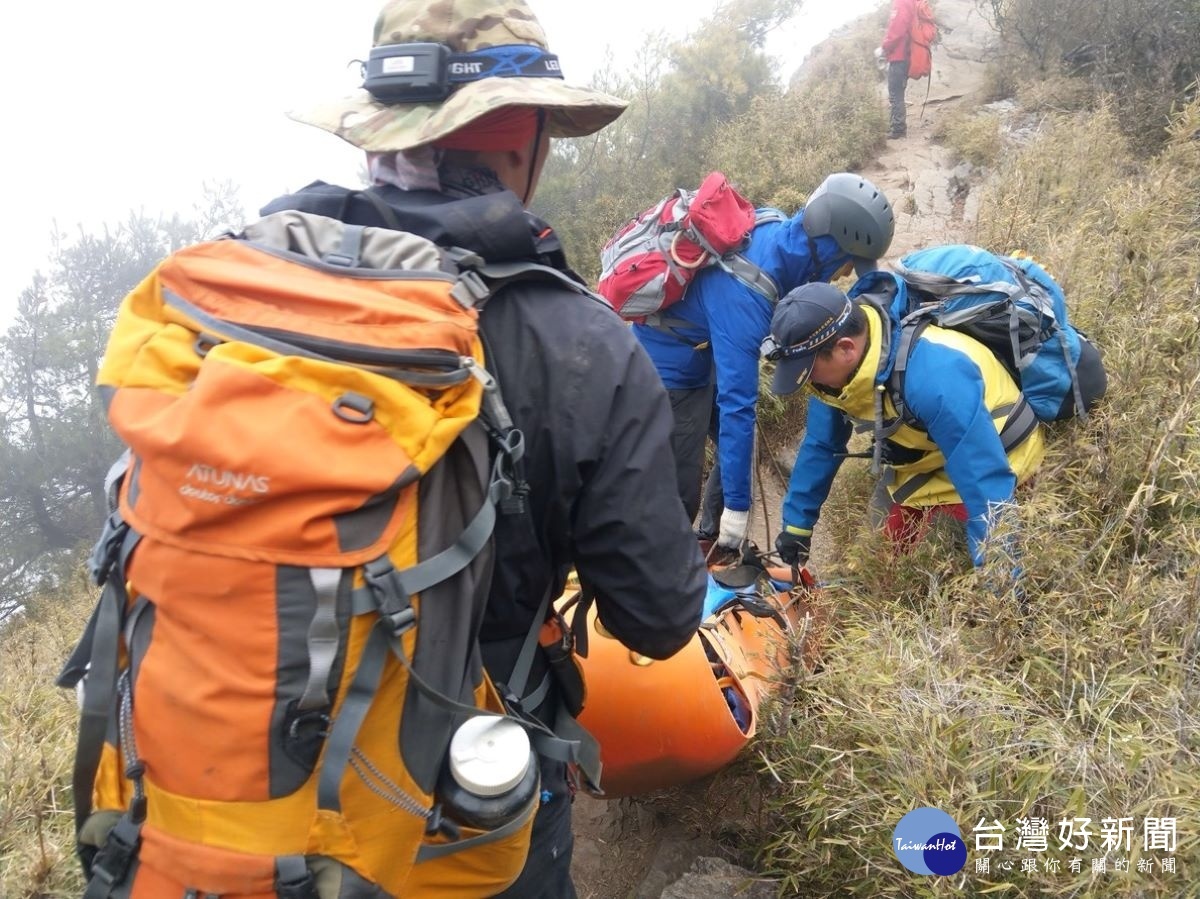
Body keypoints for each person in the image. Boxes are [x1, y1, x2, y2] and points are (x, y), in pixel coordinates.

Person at [278, 0, 708, 894]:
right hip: (457, 803)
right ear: (522, 140)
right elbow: (660, 615)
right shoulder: (579, 343)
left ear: (378, 135)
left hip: (236, 779)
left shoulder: (244, 288)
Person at [632, 173, 895, 553]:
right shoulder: (746, 294)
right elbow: (738, 406)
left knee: (736, 443)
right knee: (682, 484)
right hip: (669, 368)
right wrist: (740, 511)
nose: (846, 274)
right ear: (829, 247)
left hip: (705, 346)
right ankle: (664, 564)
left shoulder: (774, 226)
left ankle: (712, 540)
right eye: (847, 263)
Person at [765, 281, 1045, 573]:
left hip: (1001, 453)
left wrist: (1000, 588)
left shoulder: (934, 378)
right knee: (869, 569)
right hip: (929, 460)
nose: (809, 383)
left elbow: (986, 486)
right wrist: (797, 526)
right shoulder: (835, 375)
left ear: (845, 349)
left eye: (809, 373)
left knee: (946, 570)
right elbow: (822, 443)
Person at [879, 0, 918, 139]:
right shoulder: (912, 2)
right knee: (898, 93)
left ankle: (898, 129)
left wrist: (884, 47)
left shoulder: (902, 2)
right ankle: (896, 127)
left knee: (895, 94)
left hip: (898, 56)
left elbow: (896, 30)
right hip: (907, 55)